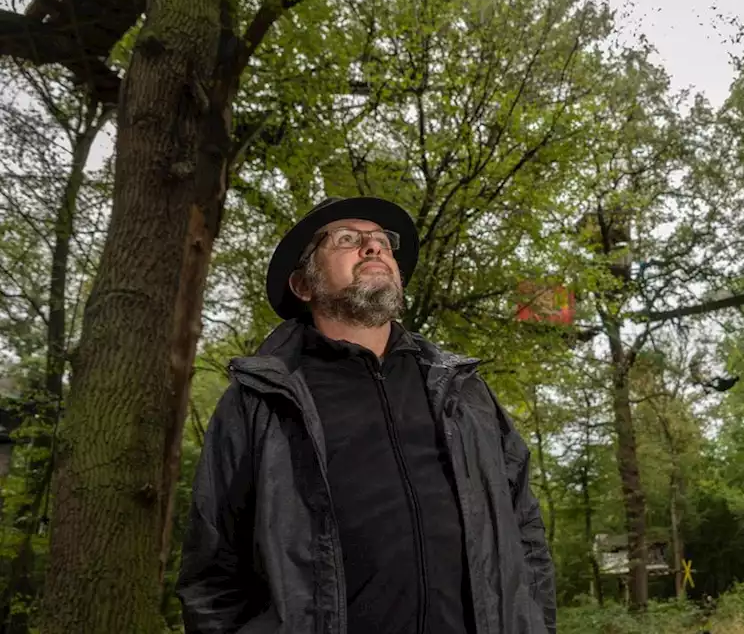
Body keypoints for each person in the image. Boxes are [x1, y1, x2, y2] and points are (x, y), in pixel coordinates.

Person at [177, 196, 555, 634]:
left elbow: (525, 532)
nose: (373, 247)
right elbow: (213, 576)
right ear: (303, 284)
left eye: (382, 242)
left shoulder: (464, 391)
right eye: (346, 239)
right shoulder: (260, 402)